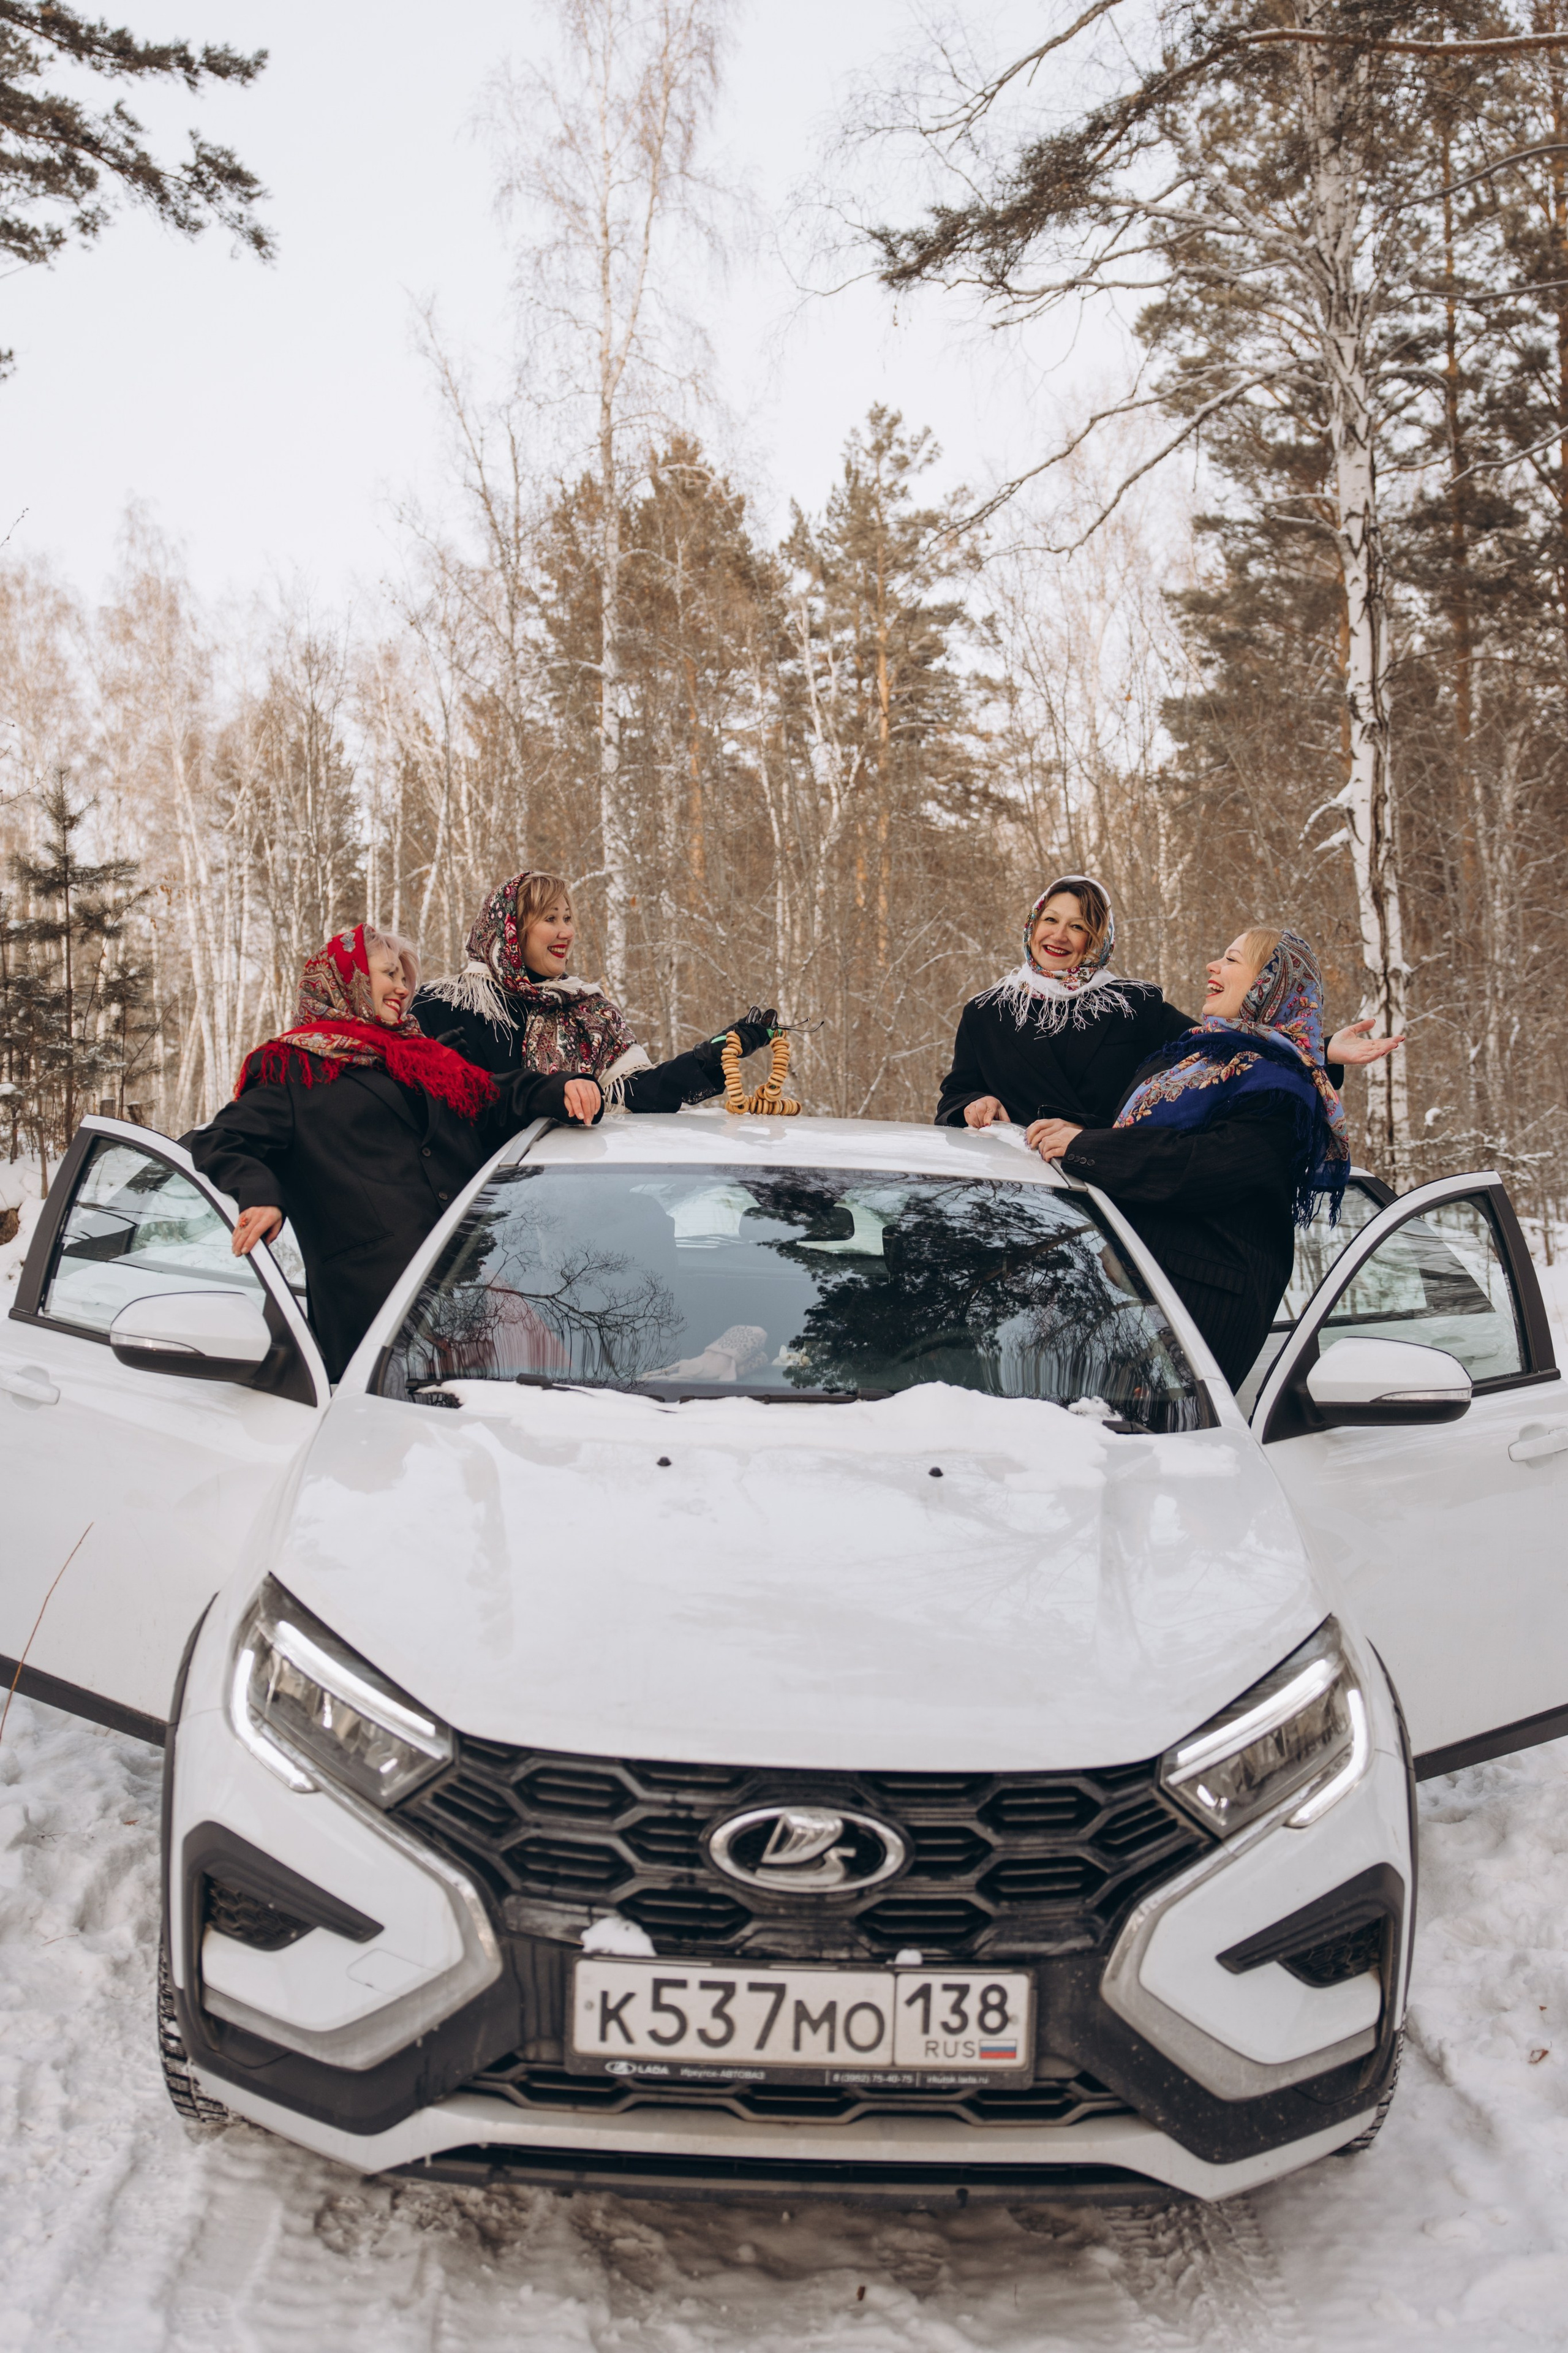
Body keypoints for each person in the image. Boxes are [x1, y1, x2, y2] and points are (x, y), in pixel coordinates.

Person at [184, 923, 597, 1382]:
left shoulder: (419, 1058)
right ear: (349, 979)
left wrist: (561, 1088)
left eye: (405, 978)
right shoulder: (294, 1068)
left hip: (473, 1294)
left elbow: (492, 1095)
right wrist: (259, 1193)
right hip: (378, 1317)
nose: (403, 988)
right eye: (388, 974)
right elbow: (218, 1139)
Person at [1025, 926, 1392, 1392]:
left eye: (1232, 960)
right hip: (1127, 1296)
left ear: (1267, 985)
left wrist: (1084, 1147)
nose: (1212, 967)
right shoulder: (1197, 1057)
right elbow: (1121, 1124)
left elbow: (1200, 1167)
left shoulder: (1281, 1088)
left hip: (1193, 1309)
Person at [935, 874, 1395, 1133]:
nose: (1058, 935)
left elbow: (1227, 1054)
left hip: (1106, 1191)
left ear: (1097, 940)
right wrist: (974, 1103)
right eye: (1050, 920)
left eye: (1076, 927)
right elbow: (954, 1097)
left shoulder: (1133, 1005)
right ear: (1032, 926)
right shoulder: (987, 1012)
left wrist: (1323, 1049)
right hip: (1018, 1189)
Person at [413, 869, 776, 1111]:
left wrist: (712, 1054)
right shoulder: (443, 1005)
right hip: (476, 1206)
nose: (567, 932)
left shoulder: (587, 1012)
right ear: (510, 929)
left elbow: (639, 1092)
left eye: (568, 919)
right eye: (550, 919)